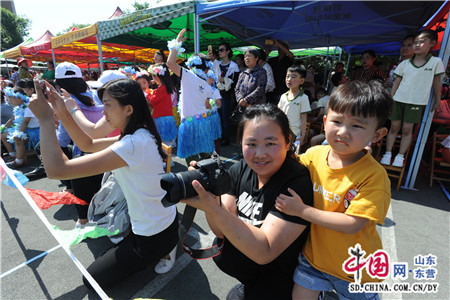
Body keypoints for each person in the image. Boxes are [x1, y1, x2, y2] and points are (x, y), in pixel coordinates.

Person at [28, 78, 179, 287]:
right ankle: (158, 245)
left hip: (154, 233)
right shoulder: (137, 134)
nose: (103, 111)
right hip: (155, 222)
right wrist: (61, 110)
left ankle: (165, 250)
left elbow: (56, 170)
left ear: (128, 110)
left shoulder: (133, 143)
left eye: (108, 105)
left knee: (91, 279)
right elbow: (87, 144)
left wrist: (45, 119)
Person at [275, 80, 392, 300]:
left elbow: (352, 224)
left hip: (355, 270)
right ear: (325, 121)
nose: (343, 132)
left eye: (357, 126)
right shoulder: (314, 154)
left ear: (377, 135)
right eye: (337, 121)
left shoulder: (373, 176)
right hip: (314, 260)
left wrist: (302, 211)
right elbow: (286, 168)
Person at [182, 104, 313, 300]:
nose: (260, 154)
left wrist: (213, 208)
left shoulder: (296, 184)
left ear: (288, 142)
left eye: (270, 143)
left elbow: (265, 251)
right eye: (251, 144)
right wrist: (211, 195)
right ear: (241, 143)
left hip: (278, 283)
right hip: (249, 275)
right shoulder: (241, 169)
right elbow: (220, 231)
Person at [381, 30, 444, 167]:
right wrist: (391, 99)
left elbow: (436, 82)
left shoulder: (436, 62)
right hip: (398, 100)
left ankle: (400, 156)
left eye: (421, 42)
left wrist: (438, 100)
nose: (417, 45)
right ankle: (387, 153)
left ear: (432, 43)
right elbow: (396, 84)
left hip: (417, 102)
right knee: (394, 127)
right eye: (415, 42)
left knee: (407, 129)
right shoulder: (404, 63)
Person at [55, 62, 105, 228]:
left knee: (82, 189)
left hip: (85, 152)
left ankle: (83, 220)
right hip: (108, 148)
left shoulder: (68, 104)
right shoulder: (97, 94)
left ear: (59, 85)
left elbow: (62, 139)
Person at [166, 28, 215, 162]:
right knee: (206, 158)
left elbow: (170, 63)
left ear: (192, 65)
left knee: (192, 161)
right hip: (203, 121)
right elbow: (207, 105)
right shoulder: (207, 85)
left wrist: (177, 43)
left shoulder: (188, 76)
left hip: (189, 124)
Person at [208, 42, 240, 146]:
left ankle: (226, 138)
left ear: (228, 52)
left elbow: (236, 82)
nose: (219, 52)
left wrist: (225, 80)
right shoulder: (216, 64)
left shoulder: (234, 66)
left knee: (225, 116)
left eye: (222, 50)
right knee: (217, 115)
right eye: (219, 50)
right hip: (216, 93)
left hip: (226, 94)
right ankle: (219, 136)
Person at [1, 84, 39, 169]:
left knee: (17, 138)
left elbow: (25, 122)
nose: (9, 100)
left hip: (34, 131)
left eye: (11, 98)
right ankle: (13, 154)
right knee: (3, 135)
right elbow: (12, 119)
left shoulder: (28, 106)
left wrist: (19, 133)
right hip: (25, 129)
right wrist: (3, 128)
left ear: (18, 98)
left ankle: (19, 161)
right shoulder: (18, 107)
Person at [277, 64, 311, 147]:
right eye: (287, 76)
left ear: (302, 81)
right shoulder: (283, 96)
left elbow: (304, 118)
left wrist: (302, 136)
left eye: (293, 77)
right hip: (282, 131)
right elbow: (279, 115)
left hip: (295, 134)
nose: (289, 79)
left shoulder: (303, 98)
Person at [147, 63, 178, 145]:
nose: (153, 78)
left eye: (153, 76)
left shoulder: (162, 89)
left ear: (157, 76)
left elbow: (153, 101)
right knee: (165, 143)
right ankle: (167, 157)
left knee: (161, 143)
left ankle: (166, 157)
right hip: (166, 118)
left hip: (161, 119)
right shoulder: (165, 87)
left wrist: (148, 93)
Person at [266, 39, 295, 104]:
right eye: (279, 48)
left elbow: (291, 56)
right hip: (272, 88)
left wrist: (279, 44)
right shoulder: (272, 60)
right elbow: (262, 62)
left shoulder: (288, 60)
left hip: (283, 87)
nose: (280, 49)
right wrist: (267, 53)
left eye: (283, 48)